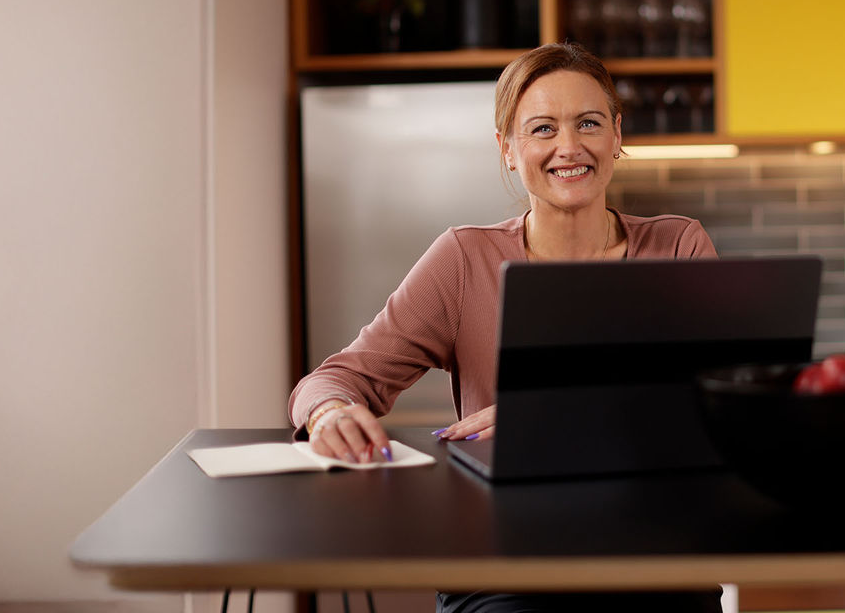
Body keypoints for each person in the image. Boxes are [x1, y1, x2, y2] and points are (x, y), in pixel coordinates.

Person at [288, 42, 722, 612]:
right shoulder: (464, 260)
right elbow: (334, 379)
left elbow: (721, 404)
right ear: (509, 150)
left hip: (658, 557)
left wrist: (546, 418)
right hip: (504, 565)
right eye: (542, 129)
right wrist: (331, 413)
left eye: (588, 123)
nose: (569, 147)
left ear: (617, 135)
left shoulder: (677, 247)